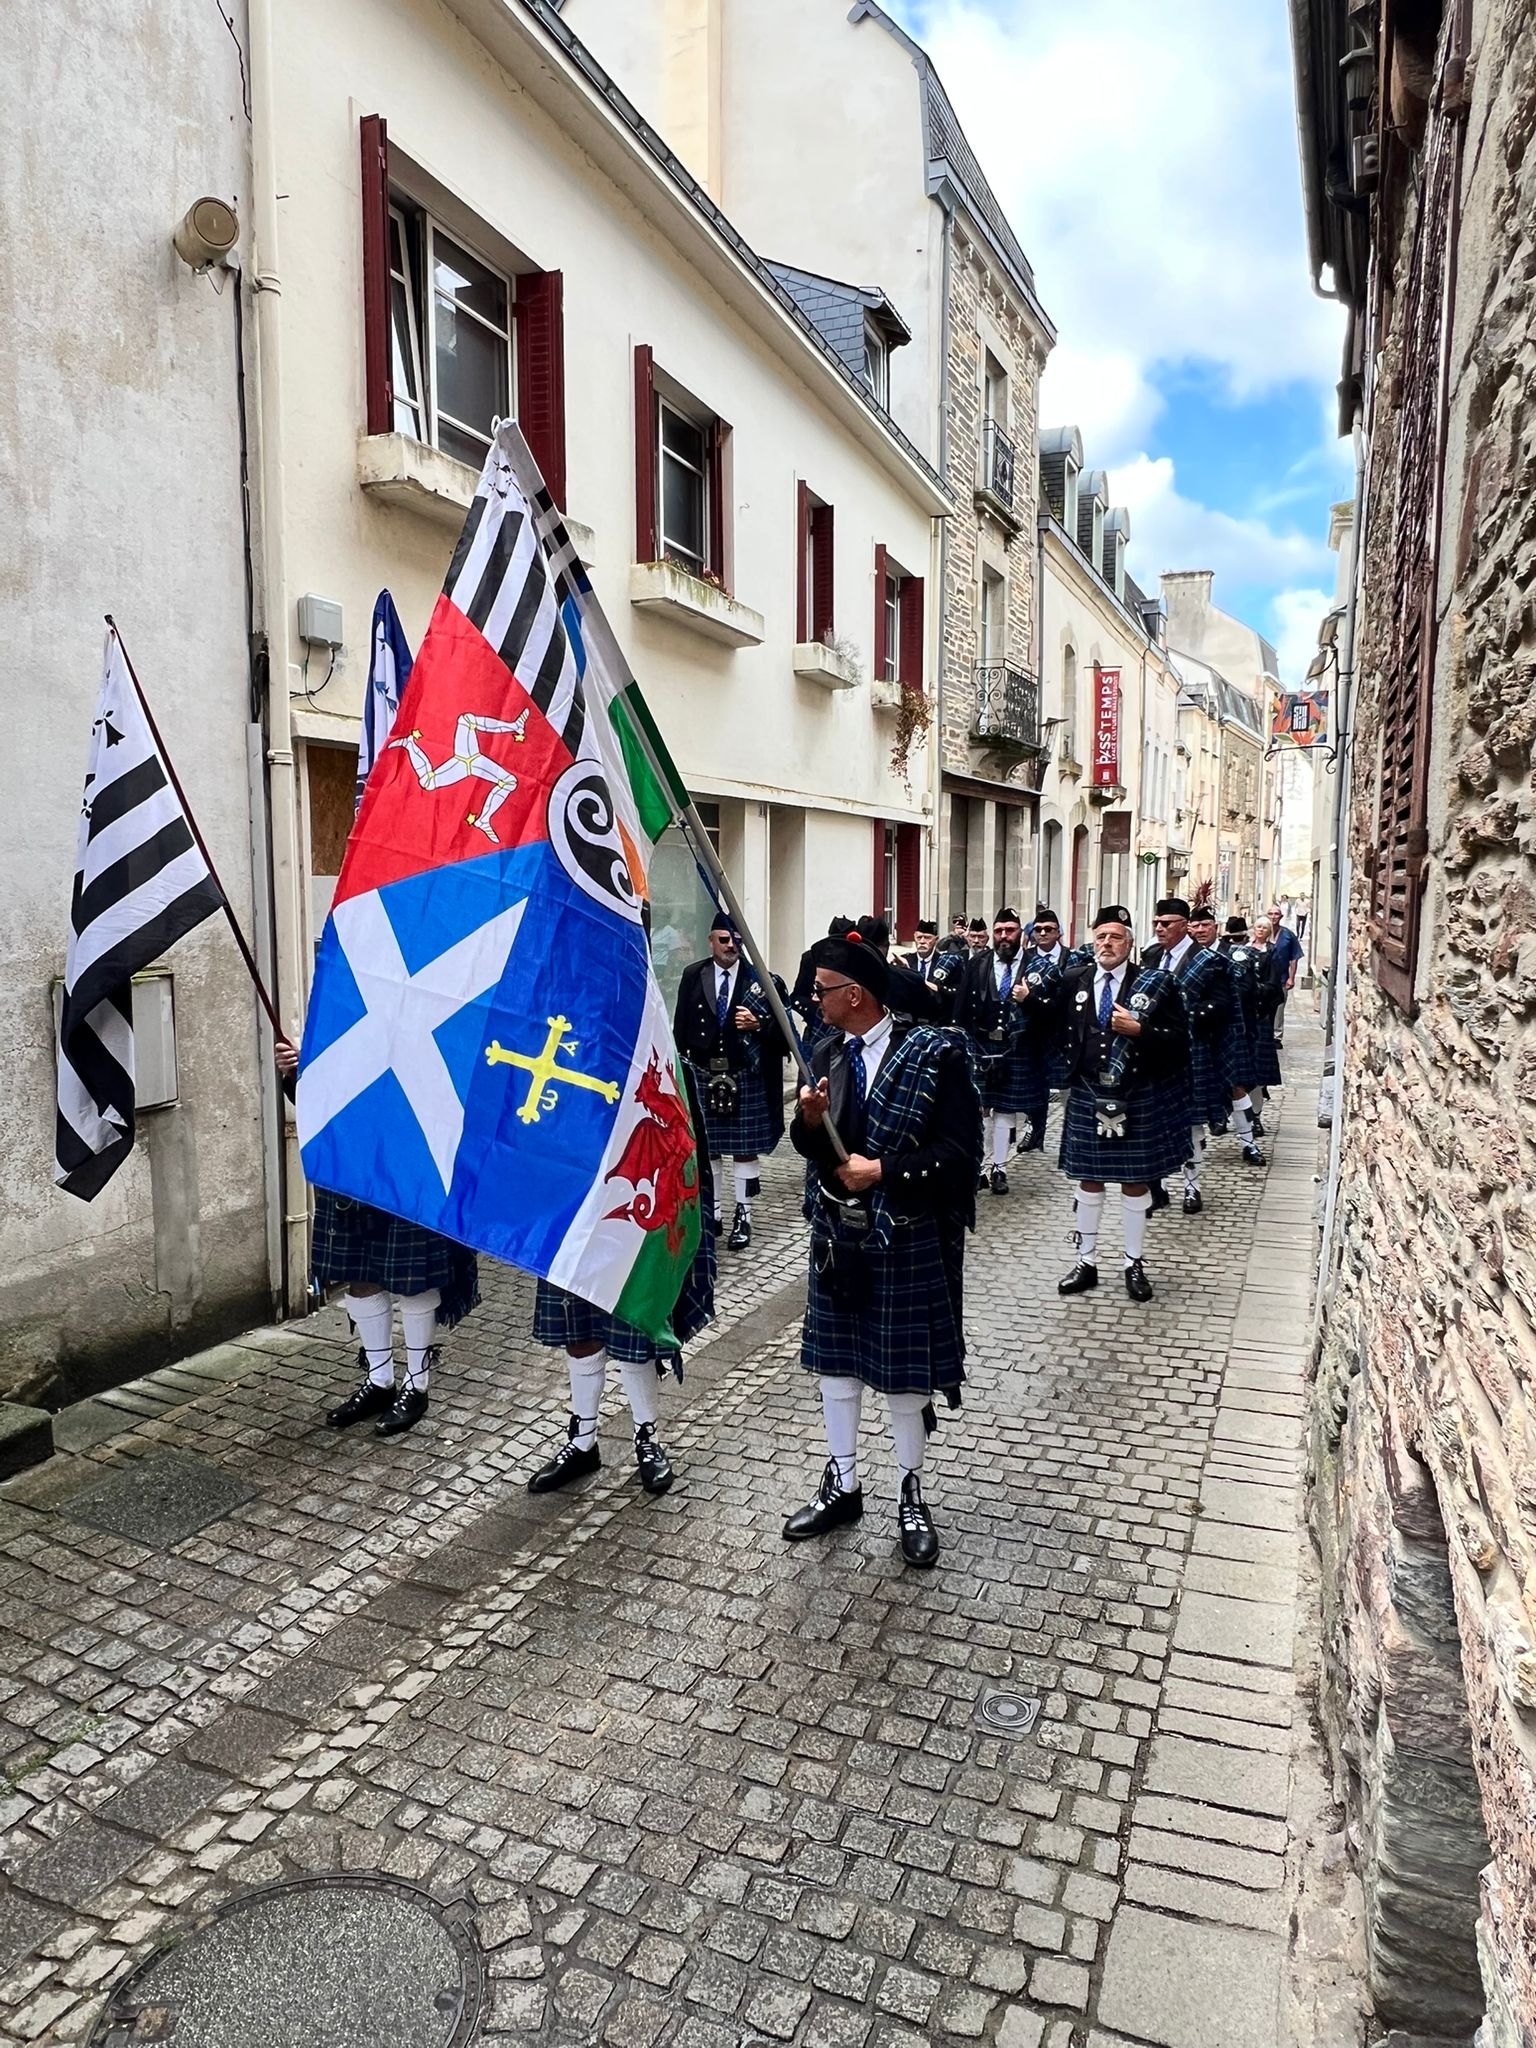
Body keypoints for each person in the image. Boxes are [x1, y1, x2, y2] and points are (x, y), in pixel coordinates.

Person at [784, 931, 982, 1569]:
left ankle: (910, 1491)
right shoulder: (825, 1051)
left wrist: (884, 1170)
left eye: (821, 990)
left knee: (903, 1375)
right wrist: (809, 1121)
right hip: (837, 1233)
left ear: (855, 994)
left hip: (906, 1232)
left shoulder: (935, 1055)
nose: (814, 1000)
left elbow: (960, 1156)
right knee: (836, 1367)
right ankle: (843, 1484)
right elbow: (810, 1148)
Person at [275, 1037, 478, 1437]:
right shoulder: (346, 1014)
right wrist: (300, 1070)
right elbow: (323, 1098)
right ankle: (380, 1380)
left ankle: (417, 1385)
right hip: (353, 1160)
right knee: (360, 1271)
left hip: (415, 1158)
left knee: (414, 1277)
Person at [527, 1070, 715, 1499]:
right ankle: (582, 1441)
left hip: (634, 1204)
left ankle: (647, 1436)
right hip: (572, 1202)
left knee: (634, 1326)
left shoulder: (649, 1046)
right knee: (577, 1326)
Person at [1056, 906, 1191, 1302]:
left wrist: (1141, 1030)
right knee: (1088, 1179)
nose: (1107, 943)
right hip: (1088, 1091)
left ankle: (1133, 1262)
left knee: (1134, 1182)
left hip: (1136, 1092)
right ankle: (1086, 1261)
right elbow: (1054, 1028)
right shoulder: (1074, 979)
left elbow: (1179, 1041)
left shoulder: (1155, 983)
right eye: (1101, 936)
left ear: (1130, 945)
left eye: (1115, 937)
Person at [673, 912, 789, 1252]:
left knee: (743, 1149)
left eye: (736, 940)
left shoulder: (762, 980)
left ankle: (744, 1214)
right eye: (723, 940)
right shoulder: (693, 974)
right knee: (709, 1148)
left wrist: (759, 1024)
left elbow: (786, 1035)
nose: (730, 946)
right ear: (711, 941)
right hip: (704, 1073)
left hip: (745, 1073)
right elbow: (681, 1027)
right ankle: (714, 1214)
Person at [1141, 897, 1238, 1215]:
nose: (1159, 928)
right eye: (1156, 922)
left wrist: (1181, 1016)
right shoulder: (1151, 955)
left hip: (1191, 1051)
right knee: (1153, 1122)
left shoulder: (1209, 961)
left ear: (1184, 925)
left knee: (1191, 1125)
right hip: (1153, 1049)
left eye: (1166, 923)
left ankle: (1191, 1187)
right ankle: (1157, 1187)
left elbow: (1222, 1005)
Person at [954, 907, 1044, 1190]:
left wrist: (1029, 1001)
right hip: (981, 1043)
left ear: (1020, 932)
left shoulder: (1035, 965)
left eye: (1010, 930)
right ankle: (981, 1167)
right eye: (999, 931)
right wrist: (959, 1040)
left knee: (1005, 1109)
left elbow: (1047, 1012)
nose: (1004, 936)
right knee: (981, 1108)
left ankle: (1000, 1168)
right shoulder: (977, 963)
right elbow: (961, 1006)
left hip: (1016, 1047)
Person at [1216, 916, 1271, 1158]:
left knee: (1239, 1086)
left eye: (1238, 938)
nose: (1234, 943)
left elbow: (1258, 990)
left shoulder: (1246, 956)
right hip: (1193, 1032)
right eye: (1230, 939)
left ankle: (1249, 1138)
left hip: (1237, 1028)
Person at [1266, 910, 1302, 1044]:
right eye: (1270, 914)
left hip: (1281, 978)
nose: (1273, 917)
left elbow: (1294, 958)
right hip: (1263, 978)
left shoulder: (1288, 935)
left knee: (1279, 1008)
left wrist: (1291, 977)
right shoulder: (1262, 932)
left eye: (1276, 914)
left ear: (1281, 916)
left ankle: (1276, 1036)